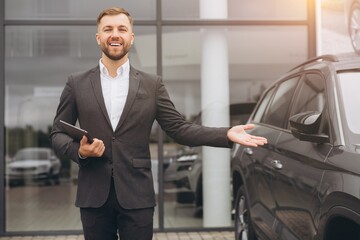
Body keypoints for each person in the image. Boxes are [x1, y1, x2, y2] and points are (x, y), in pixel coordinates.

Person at [50, 7, 267, 240]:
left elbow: (179, 129)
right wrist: (79, 151)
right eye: (108, 29)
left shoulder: (152, 85)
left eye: (122, 29)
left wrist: (225, 134)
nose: (115, 34)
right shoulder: (77, 83)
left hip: (137, 195)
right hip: (93, 195)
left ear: (131, 37)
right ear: (98, 37)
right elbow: (57, 133)